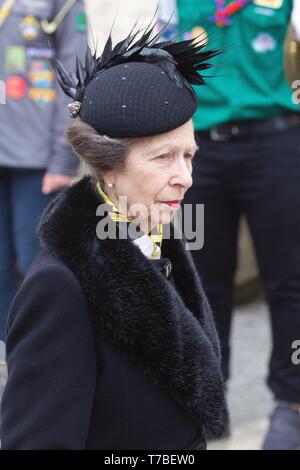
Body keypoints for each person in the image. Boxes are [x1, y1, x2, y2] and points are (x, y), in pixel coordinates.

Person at [0, 18, 228, 450]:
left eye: (189, 156)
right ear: (108, 165)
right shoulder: (59, 288)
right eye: (163, 158)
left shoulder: (158, 245)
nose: (186, 178)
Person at [158, 0, 300, 450]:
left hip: (277, 144)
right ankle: (207, 401)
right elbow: (159, 54)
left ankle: (291, 404)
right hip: (200, 153)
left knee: (291, 280)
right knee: (197, 282)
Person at [0, 0, 87, 345]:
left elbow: (75, 72)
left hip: (36, 162)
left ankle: (46, 360)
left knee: (40, 270)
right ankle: (10, 366)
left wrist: (63, 158)